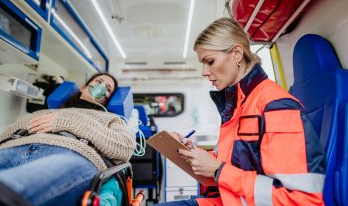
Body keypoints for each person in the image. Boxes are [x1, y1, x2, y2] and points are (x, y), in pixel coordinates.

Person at [155, 18, 326, 206]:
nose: (204, 72)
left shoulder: (276, 107)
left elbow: (302, 201)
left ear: (237, 53)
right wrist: (195, 155)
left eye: (210, 61)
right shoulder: (239, 104)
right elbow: (237, 165)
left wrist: (218, 170)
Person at [0, 72, 136, 206]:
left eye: (108, 88)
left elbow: (125, 148)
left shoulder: (111, 119)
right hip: (16, 146)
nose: (101, 87)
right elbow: (8, 134)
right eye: (99, 81)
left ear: (109, 98)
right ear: (84, 87)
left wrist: (67, 121)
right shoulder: (47, 112)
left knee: (10, 189)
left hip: (70, 153)